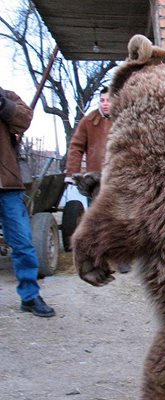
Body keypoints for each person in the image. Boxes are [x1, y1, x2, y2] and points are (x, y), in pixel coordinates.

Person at [0, 86, 56, 318]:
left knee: (23, 242)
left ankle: (30, 296)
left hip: (7, 185)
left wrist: (3, 105)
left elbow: (25, 119)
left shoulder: (6, 96)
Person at [65, 87, 130, 273]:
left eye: (109, 100)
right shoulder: (88, 122)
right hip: (95, 181)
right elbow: (76, 147)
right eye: (102, 100)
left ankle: (121, 258)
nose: (105, 103)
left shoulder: (123, 119)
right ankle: (98, 259)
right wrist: (72, 173)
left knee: (121, 218)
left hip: (119, 179)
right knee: (97, 221)